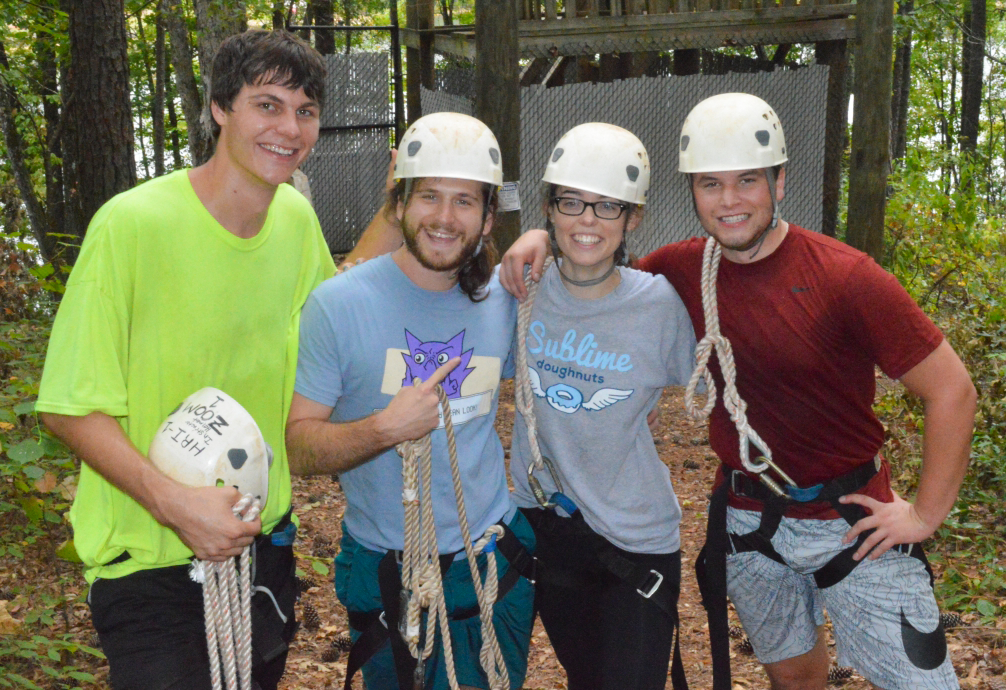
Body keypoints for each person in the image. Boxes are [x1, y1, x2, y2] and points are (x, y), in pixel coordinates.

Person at [500, 93, 977, 690]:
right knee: (795, 678)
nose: (728, 201)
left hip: (852, 519)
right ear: (691, 192)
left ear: (780, 182)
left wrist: (925, 513)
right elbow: (596, 263)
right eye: (710, 184)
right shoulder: (679, 270)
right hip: (752, 520)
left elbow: (953, 391)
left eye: (747, 181)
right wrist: (538, 242)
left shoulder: (846, 276)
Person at [35, 29, 334, 690]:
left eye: (305, 110)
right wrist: (176, 505)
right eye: (268, 104)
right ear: (221, 108)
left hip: (262, 550)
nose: (289, 127)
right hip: (148, 560)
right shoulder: (133, 225)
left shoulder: (294, 220)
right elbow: (68, 406)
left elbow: (336, 327)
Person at [285, 111, 537, 690]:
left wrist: (542, 235)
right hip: (387, 570)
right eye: (428, 196)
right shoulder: (338, 306)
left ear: (489, 215)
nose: (445, 219)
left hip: (490, 566)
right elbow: (298, 447)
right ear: (398, 204)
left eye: (465, 201)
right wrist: (384, 429)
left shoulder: (507, 296)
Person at [508, 123, 695, 690]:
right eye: (572, 202)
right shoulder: (520, 291)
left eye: (607, 206)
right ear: (549, 208)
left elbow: (720, 390)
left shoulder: (659, 304)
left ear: (632, 218)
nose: (587, 220)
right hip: (550, 527)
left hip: (634, 539)